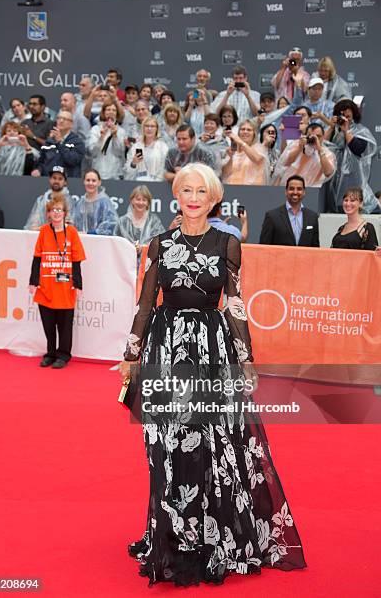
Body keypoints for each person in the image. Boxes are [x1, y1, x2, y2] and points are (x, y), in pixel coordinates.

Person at [119, 162, 306, 586]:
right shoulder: (160, 244)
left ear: (214, 196)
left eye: (201, 190)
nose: (193, 197)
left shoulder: (227, 243)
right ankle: (173, 534)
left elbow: (235, 304)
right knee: (170, 443)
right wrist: (131, 358)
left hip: (212, 349)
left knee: (212, 441)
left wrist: (246, 357)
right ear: (177, 195)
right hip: (167, 350)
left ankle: (212, 536)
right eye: (186, 189)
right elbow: (145, 304)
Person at [29, 196, 86, 369]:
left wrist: (78, 284)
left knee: (64, 325)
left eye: (59, 209)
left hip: (65, 287)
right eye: (53, 210)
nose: (56, 212)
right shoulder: (44, 231)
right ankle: (50, 353)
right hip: (46, 287)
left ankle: (63, 355)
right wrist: (33, 281)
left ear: (65, 213)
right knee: (48, 324)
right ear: (48, 214)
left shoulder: (72, 232)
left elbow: (77, 260)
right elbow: (37, 258)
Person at [323, 100, 379, 214]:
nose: (345, 119)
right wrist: (331, 126)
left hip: (354, 177)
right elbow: (323, 145)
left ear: (354, 114)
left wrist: (346, 130)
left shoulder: (361, 131)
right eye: (342, 116)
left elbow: (357, 149)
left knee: (356, 206)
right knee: (337, 208)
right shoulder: (334, 131)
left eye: (348, 116)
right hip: (335, 177)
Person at [259, 174, 319, 246]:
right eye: (291, 188)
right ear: (286, 191)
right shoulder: (272, 216)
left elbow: (315, 248)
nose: (295, 192)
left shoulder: (312, 217)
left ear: (304, 192)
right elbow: (263, 247)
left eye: (299, 189)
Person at [273, 122, 335, 187]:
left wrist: (319, 149)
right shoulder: (296, 144)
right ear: (305, 135)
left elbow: (328, 173)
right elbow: (284, 163)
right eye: (310, 136)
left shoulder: (327, 154)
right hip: (288, 186)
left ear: (323, 137)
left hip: (310, 191)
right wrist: (299, 148)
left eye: (318, 136)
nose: (314, 139)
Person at [113, 185, 164, 257]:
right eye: (138, 199)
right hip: (125, 262)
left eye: (144, 200)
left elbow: (159, 242)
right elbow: (115, 244)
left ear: (148, 203)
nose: (141, 203)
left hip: (148, 264)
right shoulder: (122, 221)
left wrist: (143, 248)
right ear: (132, 201)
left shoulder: (154, 221)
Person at [31, 111, 85, 178]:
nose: (61, 121)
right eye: (59, 118)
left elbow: (72, 161)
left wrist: (60, 143)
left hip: (68, 181)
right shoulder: (49, 141)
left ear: (71, 124)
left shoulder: (77, 142)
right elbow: (41, 161)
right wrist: (38, 170)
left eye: (65, 119)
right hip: (47, 180)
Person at [25, 165, 78, 230]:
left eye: (60, 179)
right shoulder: (41, 200)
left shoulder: (69, 201)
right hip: (43, 237)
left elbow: (69, 225)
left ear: (65, 182)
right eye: (54, 178)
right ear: (50, 179)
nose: (56, 181)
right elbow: (33, 224)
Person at [86, 101, 126, 180]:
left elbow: (119, 153)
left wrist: (115, 136)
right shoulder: (95, 129)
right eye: (108, 109)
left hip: (115, 174)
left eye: (114, 110)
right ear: (103, 113)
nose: (111, 112)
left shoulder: (122, 131)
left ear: (117, 114)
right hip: (98, 173)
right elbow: (92, 152)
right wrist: (101, 138)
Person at [331, 187, 380, 251]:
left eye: (352, 200)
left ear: (361, 204)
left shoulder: (367, 228)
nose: (348, 204)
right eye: (346, 200)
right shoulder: (341, 228)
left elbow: (371, 256)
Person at [222, 120, 269, 185]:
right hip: (232, 190)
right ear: (239, 133)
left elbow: (257, 159)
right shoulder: (233, 150)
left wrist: (240, 142)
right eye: (242, 129)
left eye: (249, 130)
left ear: (254, 133)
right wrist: (231, 158)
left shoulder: (259, 147)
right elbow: (225, 173)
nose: (245, 132)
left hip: (252, 191)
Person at [73, 168, 118, 235]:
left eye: (94, 181)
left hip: (100, 242)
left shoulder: (105, 202)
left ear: (99, 183)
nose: (90, 183)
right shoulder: (79, 204)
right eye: (88, 180)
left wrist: (94, 232)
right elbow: (74, 224)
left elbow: (112, 223)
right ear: (84, 182)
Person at [124, 116, 168, 182]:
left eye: (152, 126)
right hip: (138, 184)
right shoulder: (136, 147)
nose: (149, 128)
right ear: (143, 128)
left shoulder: (163, 147)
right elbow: (127, 172)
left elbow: (164, 169)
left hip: (157, 184)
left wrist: (156, 181)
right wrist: (133, 163)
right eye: (147, 126)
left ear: (157, 129)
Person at [199, 113, 229, 177]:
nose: (209, 125)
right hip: (200, 172)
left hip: (216, 174)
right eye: (206, 123)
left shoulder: (222, 141)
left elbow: (224, 157)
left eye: (211, 123)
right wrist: (202, 142)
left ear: (217, 127)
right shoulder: (197, 139)